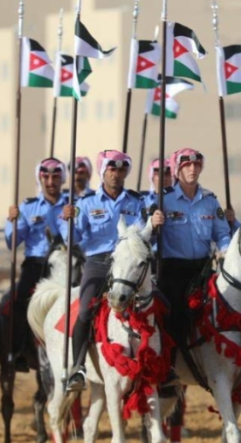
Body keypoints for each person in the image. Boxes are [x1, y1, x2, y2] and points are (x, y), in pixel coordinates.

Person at [61, 150, 149, 392]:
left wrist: (156, 225)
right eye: (112, 169)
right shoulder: (85, 203)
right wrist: (68, 222)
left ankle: (163, 363)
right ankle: (78, 368)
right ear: (102, 172)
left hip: (129, 263)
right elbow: (72, 240)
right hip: (98, 263)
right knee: (85, 310)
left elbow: (144, 235)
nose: (117, 174)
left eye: (121, 170)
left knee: (158, 304)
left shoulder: (137, 202)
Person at [150, 148, 232, 377]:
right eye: (187, 165)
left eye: (196, 165)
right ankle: (169, 367)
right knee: (174, 314)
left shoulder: (209, 200)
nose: (192, 169)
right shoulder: (162, 199)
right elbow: (146, 237)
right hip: (173, 271)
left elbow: (222, 233)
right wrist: (152, 224)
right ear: (177, 170)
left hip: (203, 270)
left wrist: (225, 251)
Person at [5, 157, 69, 370]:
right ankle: (19, 350)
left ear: (62, 179)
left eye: (55, 177)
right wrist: (12, 222)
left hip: (64, 263)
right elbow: (12, 242)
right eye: (46, 177)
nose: (51, 182)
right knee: (19, 301)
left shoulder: (73, 203)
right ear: (39, 179)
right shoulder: (28, 207)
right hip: (35, 264)